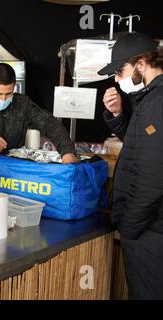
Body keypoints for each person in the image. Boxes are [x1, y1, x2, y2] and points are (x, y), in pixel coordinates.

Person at [97, 32, 163, 300]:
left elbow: (153, 176)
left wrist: (129, 226)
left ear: (141, 63)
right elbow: (141, 146)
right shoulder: (150, 97)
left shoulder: (157, 101)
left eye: (120, 70)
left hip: (151, 231)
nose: (117, 79)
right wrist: (117, 115)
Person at [0, 63, 77, 192]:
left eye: (8, 93)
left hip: (10, 180)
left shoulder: (23, 105)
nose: (3, 99)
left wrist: (67, 153)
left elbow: (50, 124)